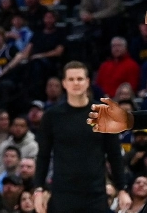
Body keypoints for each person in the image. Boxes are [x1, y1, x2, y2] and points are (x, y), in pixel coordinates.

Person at [34, 61, 128, 213]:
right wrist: (38, 189)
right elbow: (43, 155)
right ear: (64, 83)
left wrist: (122, 188)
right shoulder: (52, 116)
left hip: (95, 194)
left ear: (88, 82)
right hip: (62, 195)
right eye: (71, 79)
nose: (76, 83)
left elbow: (114, 155)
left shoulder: (104, 114)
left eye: (79, 79)